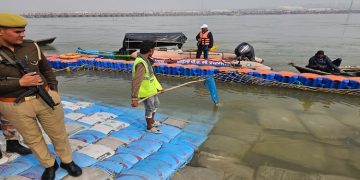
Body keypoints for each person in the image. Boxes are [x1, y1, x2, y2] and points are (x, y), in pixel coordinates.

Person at [0, 13, 82, 180]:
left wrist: (54, 89)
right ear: (1, 31)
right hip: (14, 105)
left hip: (44, 97)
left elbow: (46, 68)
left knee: (59, 133)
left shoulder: (31, 46)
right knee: (33, 139)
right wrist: (19, 83)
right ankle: (49, 164)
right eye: (17, 31)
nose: (22, 34)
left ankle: (67, 161)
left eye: (23, 31)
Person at [131, 41, 164, 134]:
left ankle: (152, 122)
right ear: (150, 50)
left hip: (152, 89)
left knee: (156, 104)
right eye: (154, 49)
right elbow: (136, 81)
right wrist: (134, 98)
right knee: (149, 108)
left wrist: (159, 87)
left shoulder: (146, 60)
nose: (154, 51)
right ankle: (149, 127)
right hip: (145, 91)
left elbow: (151, 76)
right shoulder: (141, 63)